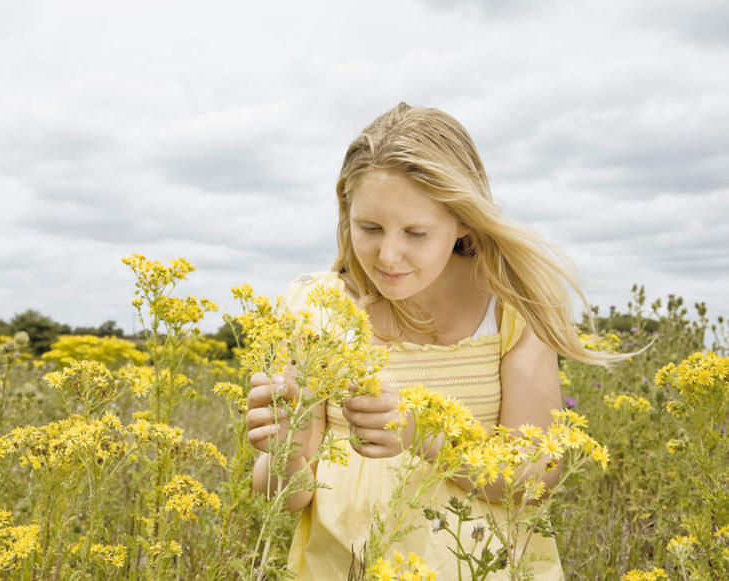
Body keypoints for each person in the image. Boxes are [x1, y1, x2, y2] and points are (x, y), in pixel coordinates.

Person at [246, 103, 613, 580]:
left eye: (416, 232)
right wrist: (287, 450)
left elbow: (535, 479)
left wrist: (423, 435)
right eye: (370, 228)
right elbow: (286, 495)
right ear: (346, 211)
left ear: (464, 221)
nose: (389, 255)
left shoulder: (512, 310)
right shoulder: (314, 308)